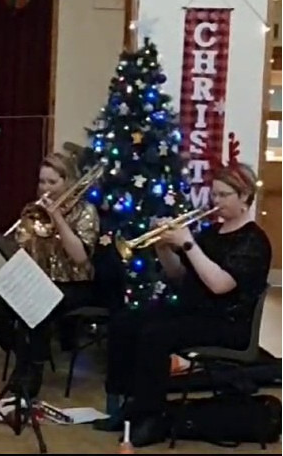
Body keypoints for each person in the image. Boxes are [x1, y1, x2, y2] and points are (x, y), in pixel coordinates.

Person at [96, 163, 272, 446]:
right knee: (126, 320)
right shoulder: (211, 233)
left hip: (228, 323)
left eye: (225, 195)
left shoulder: (254, 240)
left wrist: (188, 243)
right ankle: (125, 405)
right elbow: (178, 275)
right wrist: (163, 246)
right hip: (195, 312)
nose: (217, 201)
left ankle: (150, 418)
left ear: (245, 198)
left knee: (157, 335)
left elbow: (220, 285)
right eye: (214, 194)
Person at [0, 153, 101, 398]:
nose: (45, 188)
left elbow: (80, 257)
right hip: (40, 279)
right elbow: (21, 249)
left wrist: (58, 219)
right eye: (42, 182)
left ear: (68, 182)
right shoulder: (34, 211)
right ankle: (28, 357)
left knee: (36, 309)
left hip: (75, 284)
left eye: (52, 182)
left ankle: (30, 373)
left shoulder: (86, 211)